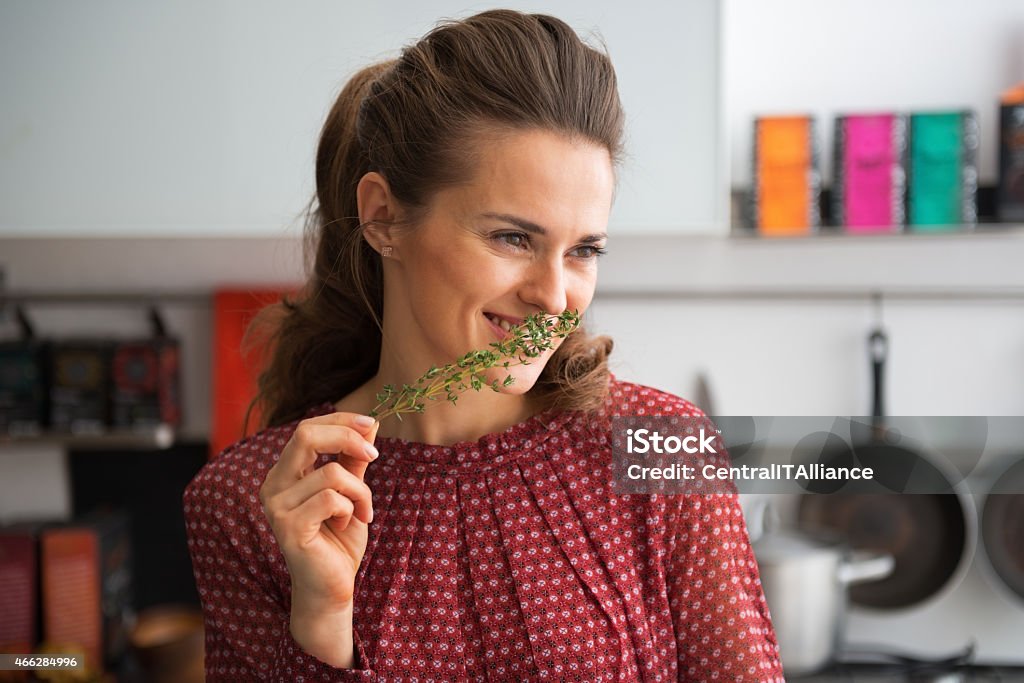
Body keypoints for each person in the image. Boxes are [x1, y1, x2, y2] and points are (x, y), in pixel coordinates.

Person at [184, 9, 784, 681]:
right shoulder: (251, 506)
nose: (555, 297)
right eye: (514, 238)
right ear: (383, 216)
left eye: (583, 250)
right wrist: (322, 624)